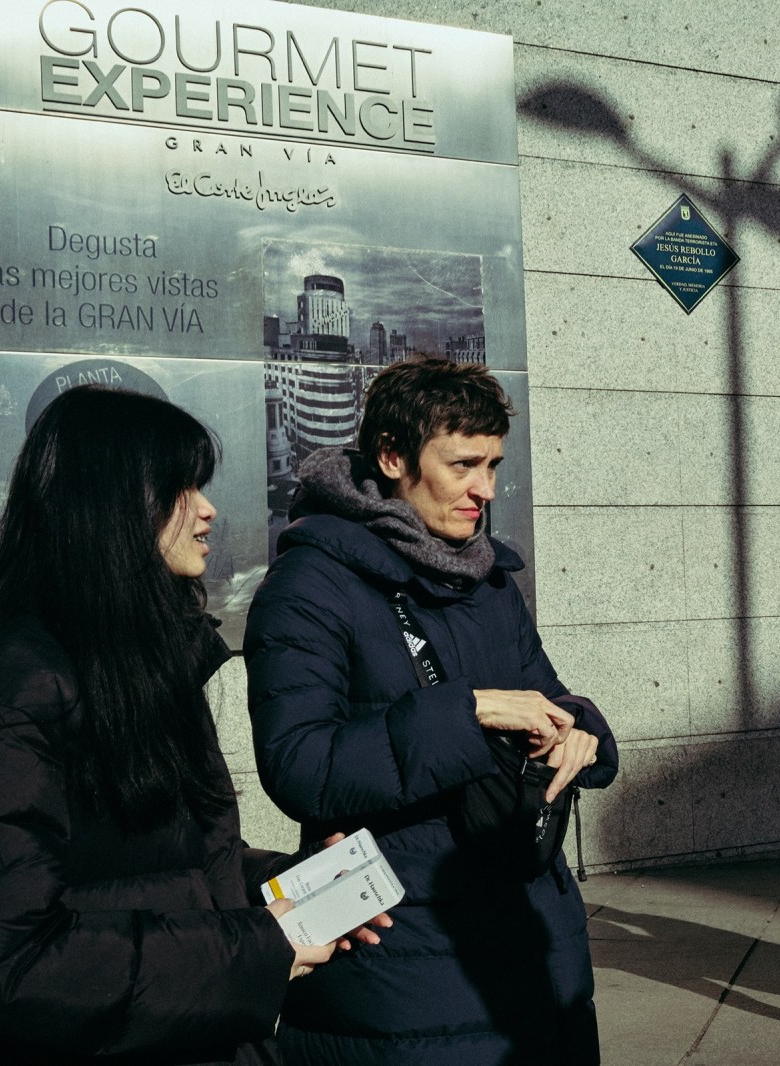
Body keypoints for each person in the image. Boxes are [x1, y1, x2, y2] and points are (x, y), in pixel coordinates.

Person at [0, 386, 370, 1065]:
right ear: (112, 506)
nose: (207, 510)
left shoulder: (131, 670)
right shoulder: (5, 698)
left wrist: (292, 886)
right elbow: (5, 959)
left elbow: (149, 871)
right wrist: (265, 945)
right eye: (182, 487)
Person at [245, 357, 619, 1065]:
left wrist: (585, 735)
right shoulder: (309, 583)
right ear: (393, 457)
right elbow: (297, 763)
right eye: (464, 465)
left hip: (533, 943)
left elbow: (548, 694)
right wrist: (465, 716)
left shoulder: (487, 575)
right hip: (403, 960)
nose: (486, 488)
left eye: (494, 464)